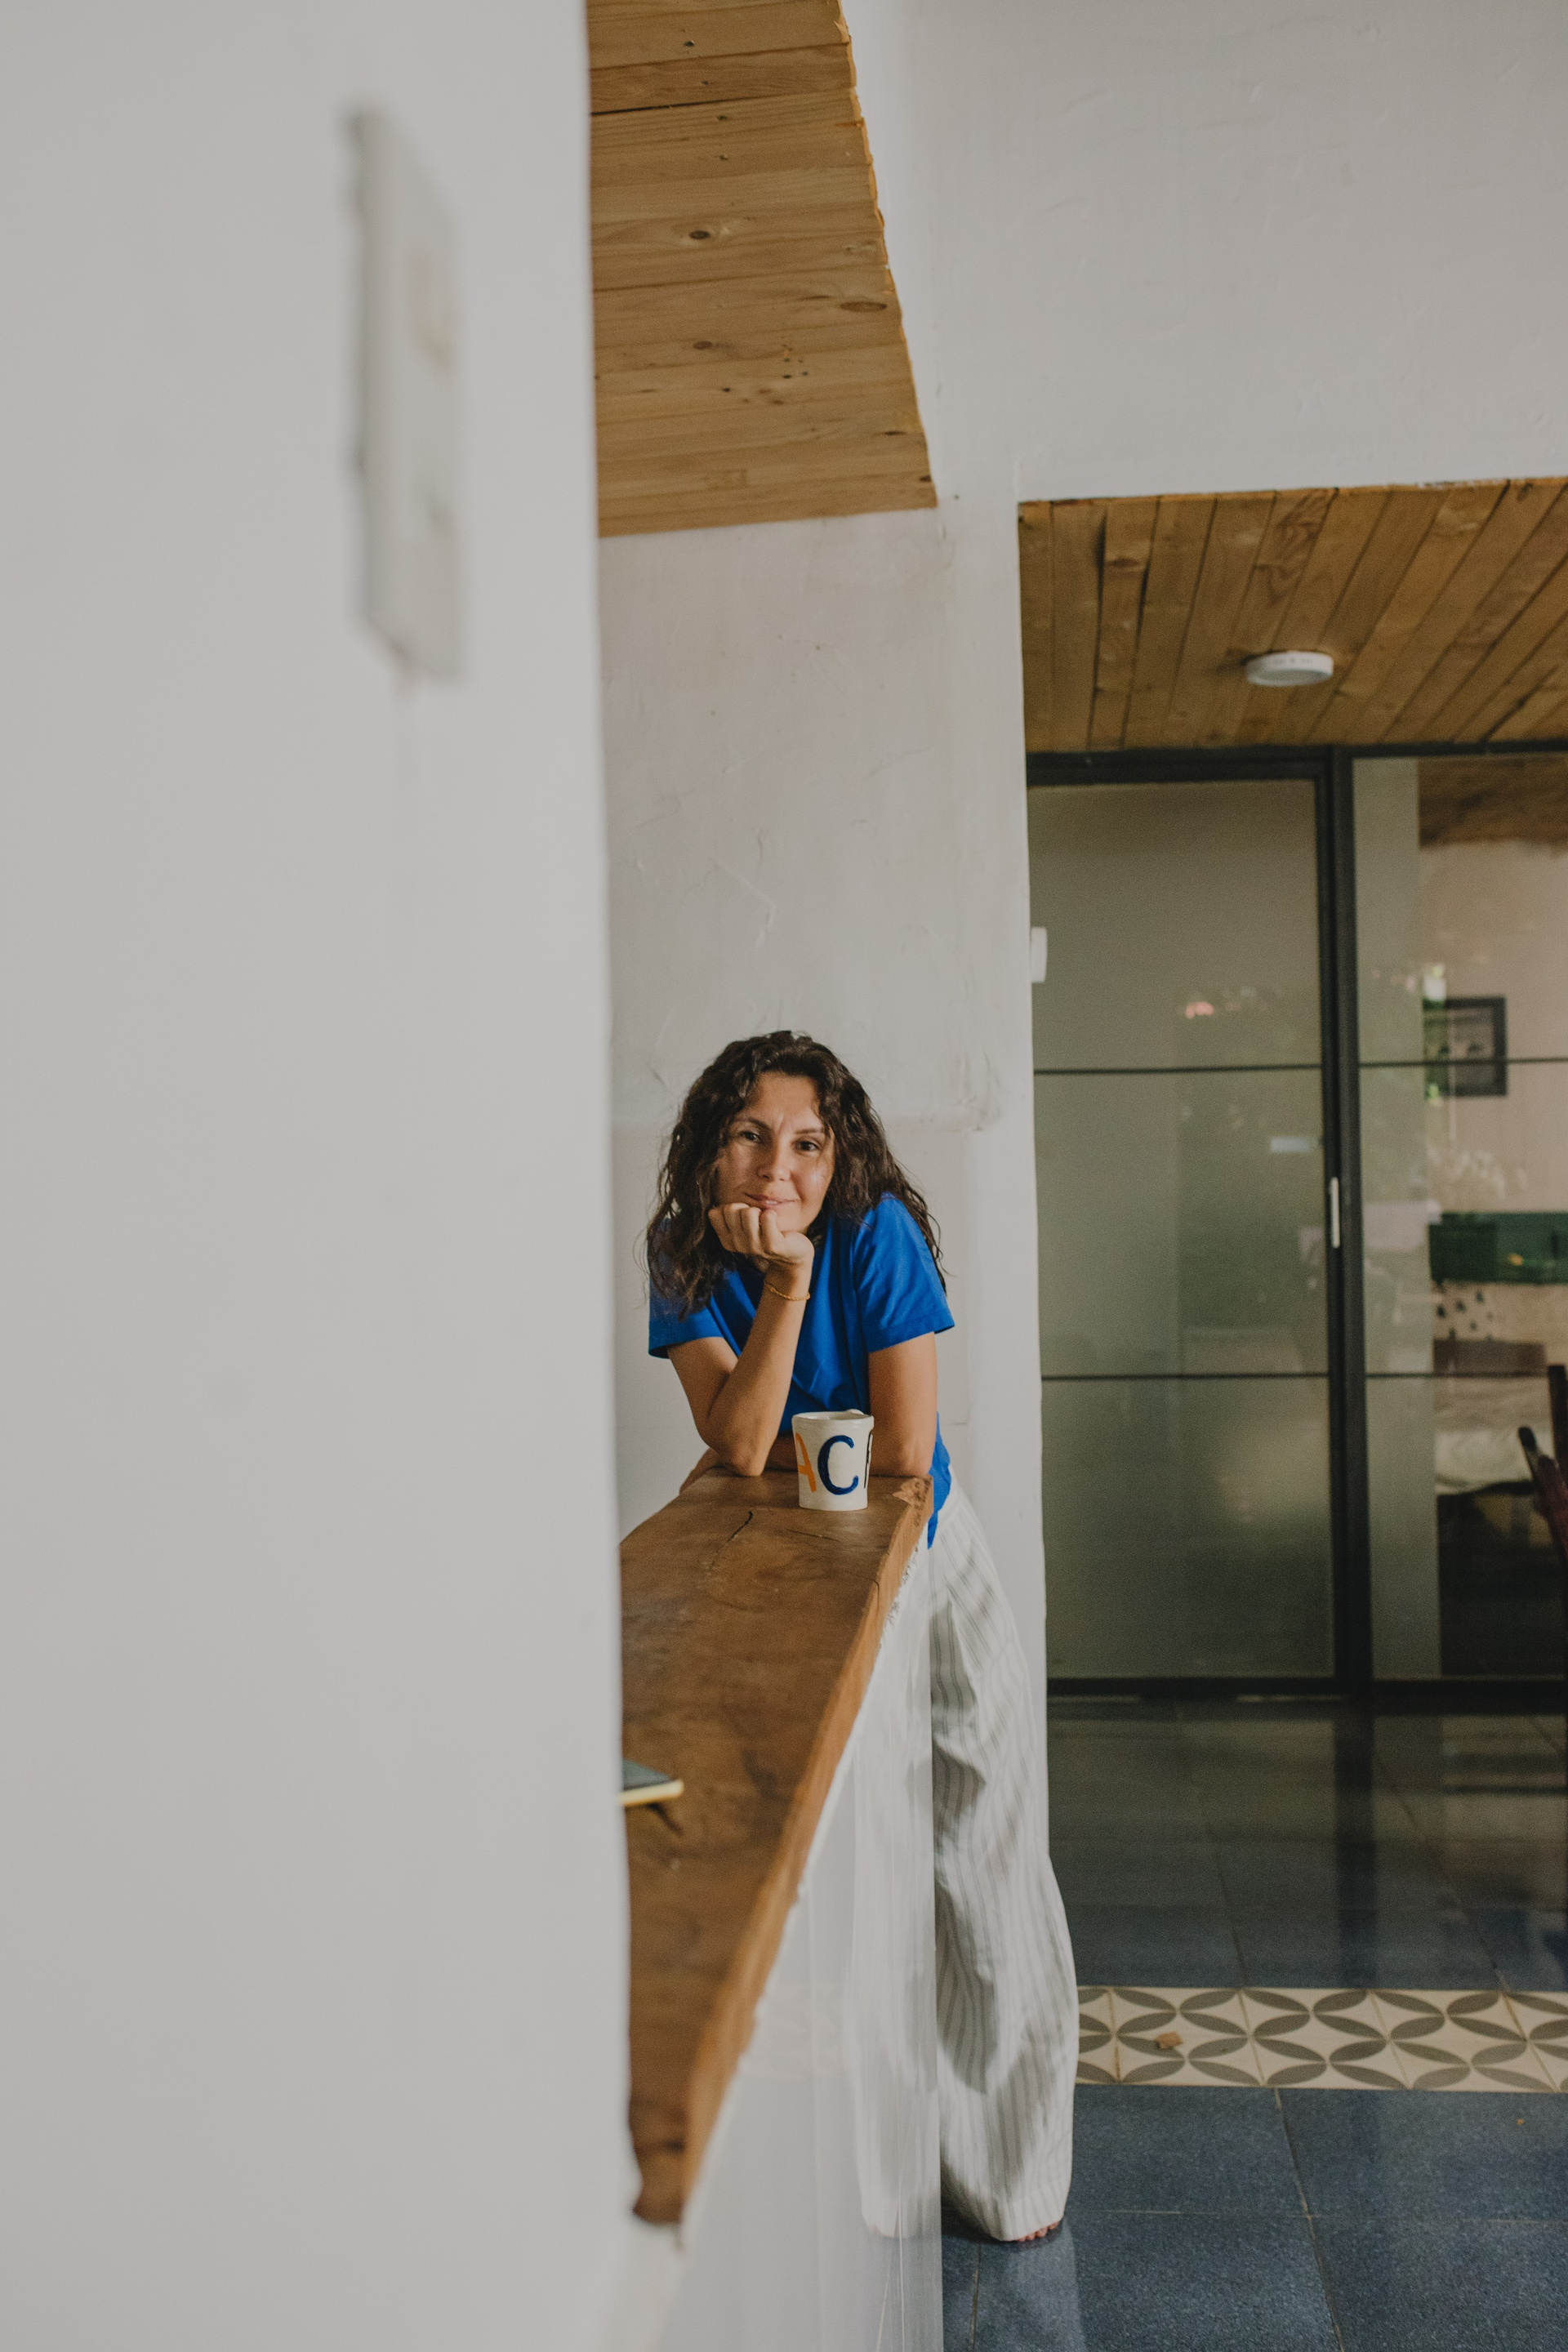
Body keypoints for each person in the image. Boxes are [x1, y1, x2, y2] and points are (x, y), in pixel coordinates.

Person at [645, 1031, 1078, 2243]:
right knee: (879, 1882)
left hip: (929, 1560)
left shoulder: (878, 1231)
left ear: (840, 1160)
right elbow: (736, 1442)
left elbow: (901, 1455)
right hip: (803, 1584)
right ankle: (896, 2182)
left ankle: (1016, 2181)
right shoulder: (682, 1255)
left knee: (987, 1856)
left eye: (807, 1144)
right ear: (709, 1147)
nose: (777, 1168)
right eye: (750, 1136)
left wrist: (765, 1445)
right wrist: (785, 1284)